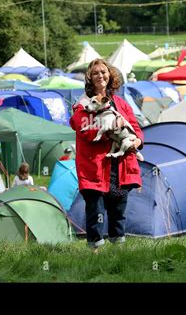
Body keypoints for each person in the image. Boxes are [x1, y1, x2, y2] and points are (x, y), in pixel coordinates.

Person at [69, 58, 143, 251]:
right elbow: (84, 131)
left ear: (110, 75)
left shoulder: (120, 103)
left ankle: (118, 248)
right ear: (89, 78)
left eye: (103, 71)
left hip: (120, 165)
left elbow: (135, 128)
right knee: (96, 209)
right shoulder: (84, 104)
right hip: (95, 166)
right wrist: (111, 130)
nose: (100, 75)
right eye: (95, 73)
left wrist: (137, 141)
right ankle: (96, 249)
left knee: (118, 209)